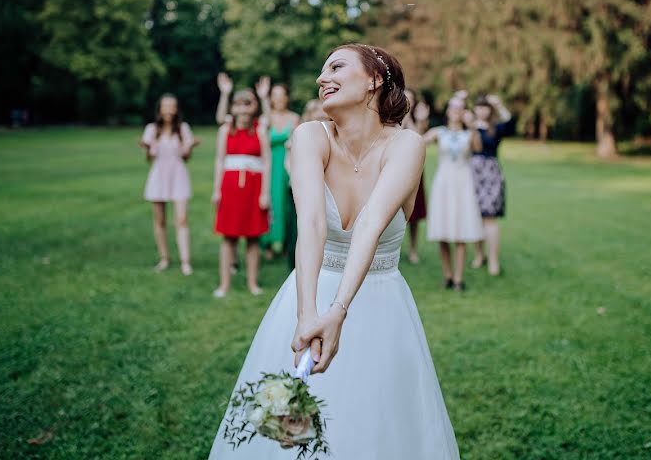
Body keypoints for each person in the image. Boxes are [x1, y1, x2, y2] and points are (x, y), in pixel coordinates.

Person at [208, 44, 460, 459]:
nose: (322, 78)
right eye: (322, 70)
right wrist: (307, 312)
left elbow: (372, 223)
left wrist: (338, 311)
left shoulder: (407, 145)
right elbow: (310, 223)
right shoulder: (310, 136)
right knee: (286, 437)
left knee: (374, 427)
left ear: (374, 81)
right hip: (308, 288)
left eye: (336, 67)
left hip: (380, 304)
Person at [212, 88, 271, 297]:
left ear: (253, 108)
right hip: (230, 188)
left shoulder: (260, 130)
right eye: (238, 105)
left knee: (253, 238)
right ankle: (224, 284)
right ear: (233, 108)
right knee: (228, 238)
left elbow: (266, 161)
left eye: (247, 104)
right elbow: (219, 160)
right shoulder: (225, 130)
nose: (242, 109)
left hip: (253, 188)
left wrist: (265, 193)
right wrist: (216, 190)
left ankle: (252, 283)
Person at [423, 96, 483, 291]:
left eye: (461, 108)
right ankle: (447, 275)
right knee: (443, 231)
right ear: (447, 110)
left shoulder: (470, 134)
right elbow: (417, 142)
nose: (456, 110)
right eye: (453, 107)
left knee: (460, 232)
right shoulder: (438, 133)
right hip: (444, 183)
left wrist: (472, 125)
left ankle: (458, 278)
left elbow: (478, 148)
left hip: (463, 184)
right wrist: (421, 120)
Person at [138, 94, 200, 275]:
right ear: (160, 109)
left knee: (181, 219)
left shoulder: (183, 128)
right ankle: (164, 258)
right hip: (158, 176)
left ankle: (185, 261)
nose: (168, 110)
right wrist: (147, 148)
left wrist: (189, 147)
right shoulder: (151, 129)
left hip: (178, 175)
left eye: (172, 106)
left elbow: (186, 158)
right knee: (160, 220)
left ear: (176, 109)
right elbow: (149, 158)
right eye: (165, 106)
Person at [470, 94, 513, 275]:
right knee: (474, 216)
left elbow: (510, 123)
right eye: (479, 107)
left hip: (491, 174)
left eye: (485, 107)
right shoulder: (469, 126)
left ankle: (493, 260)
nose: (482, 110)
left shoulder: (495, 128)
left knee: (490, 217)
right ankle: (479, 255)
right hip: (471, 173)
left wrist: (499, 103)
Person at [263, 83, 300, 260]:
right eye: (274, 95)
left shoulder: (294, 118)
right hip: (269, 166)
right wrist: (262, 98)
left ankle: (285, 243)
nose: (278, 99)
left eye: (281, 95)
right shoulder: (266, 119)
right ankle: (267, 243)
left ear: (287, 98)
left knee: (285, 204)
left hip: (286, 165)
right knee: (269, 204)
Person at [402, 88, 430, 264]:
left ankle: (412, 249)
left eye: (411, 99)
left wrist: (412, 119)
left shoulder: (419, 122)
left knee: (415, 214)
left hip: (414, 169)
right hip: (394, 168)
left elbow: (417, 138)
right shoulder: (391, 117)